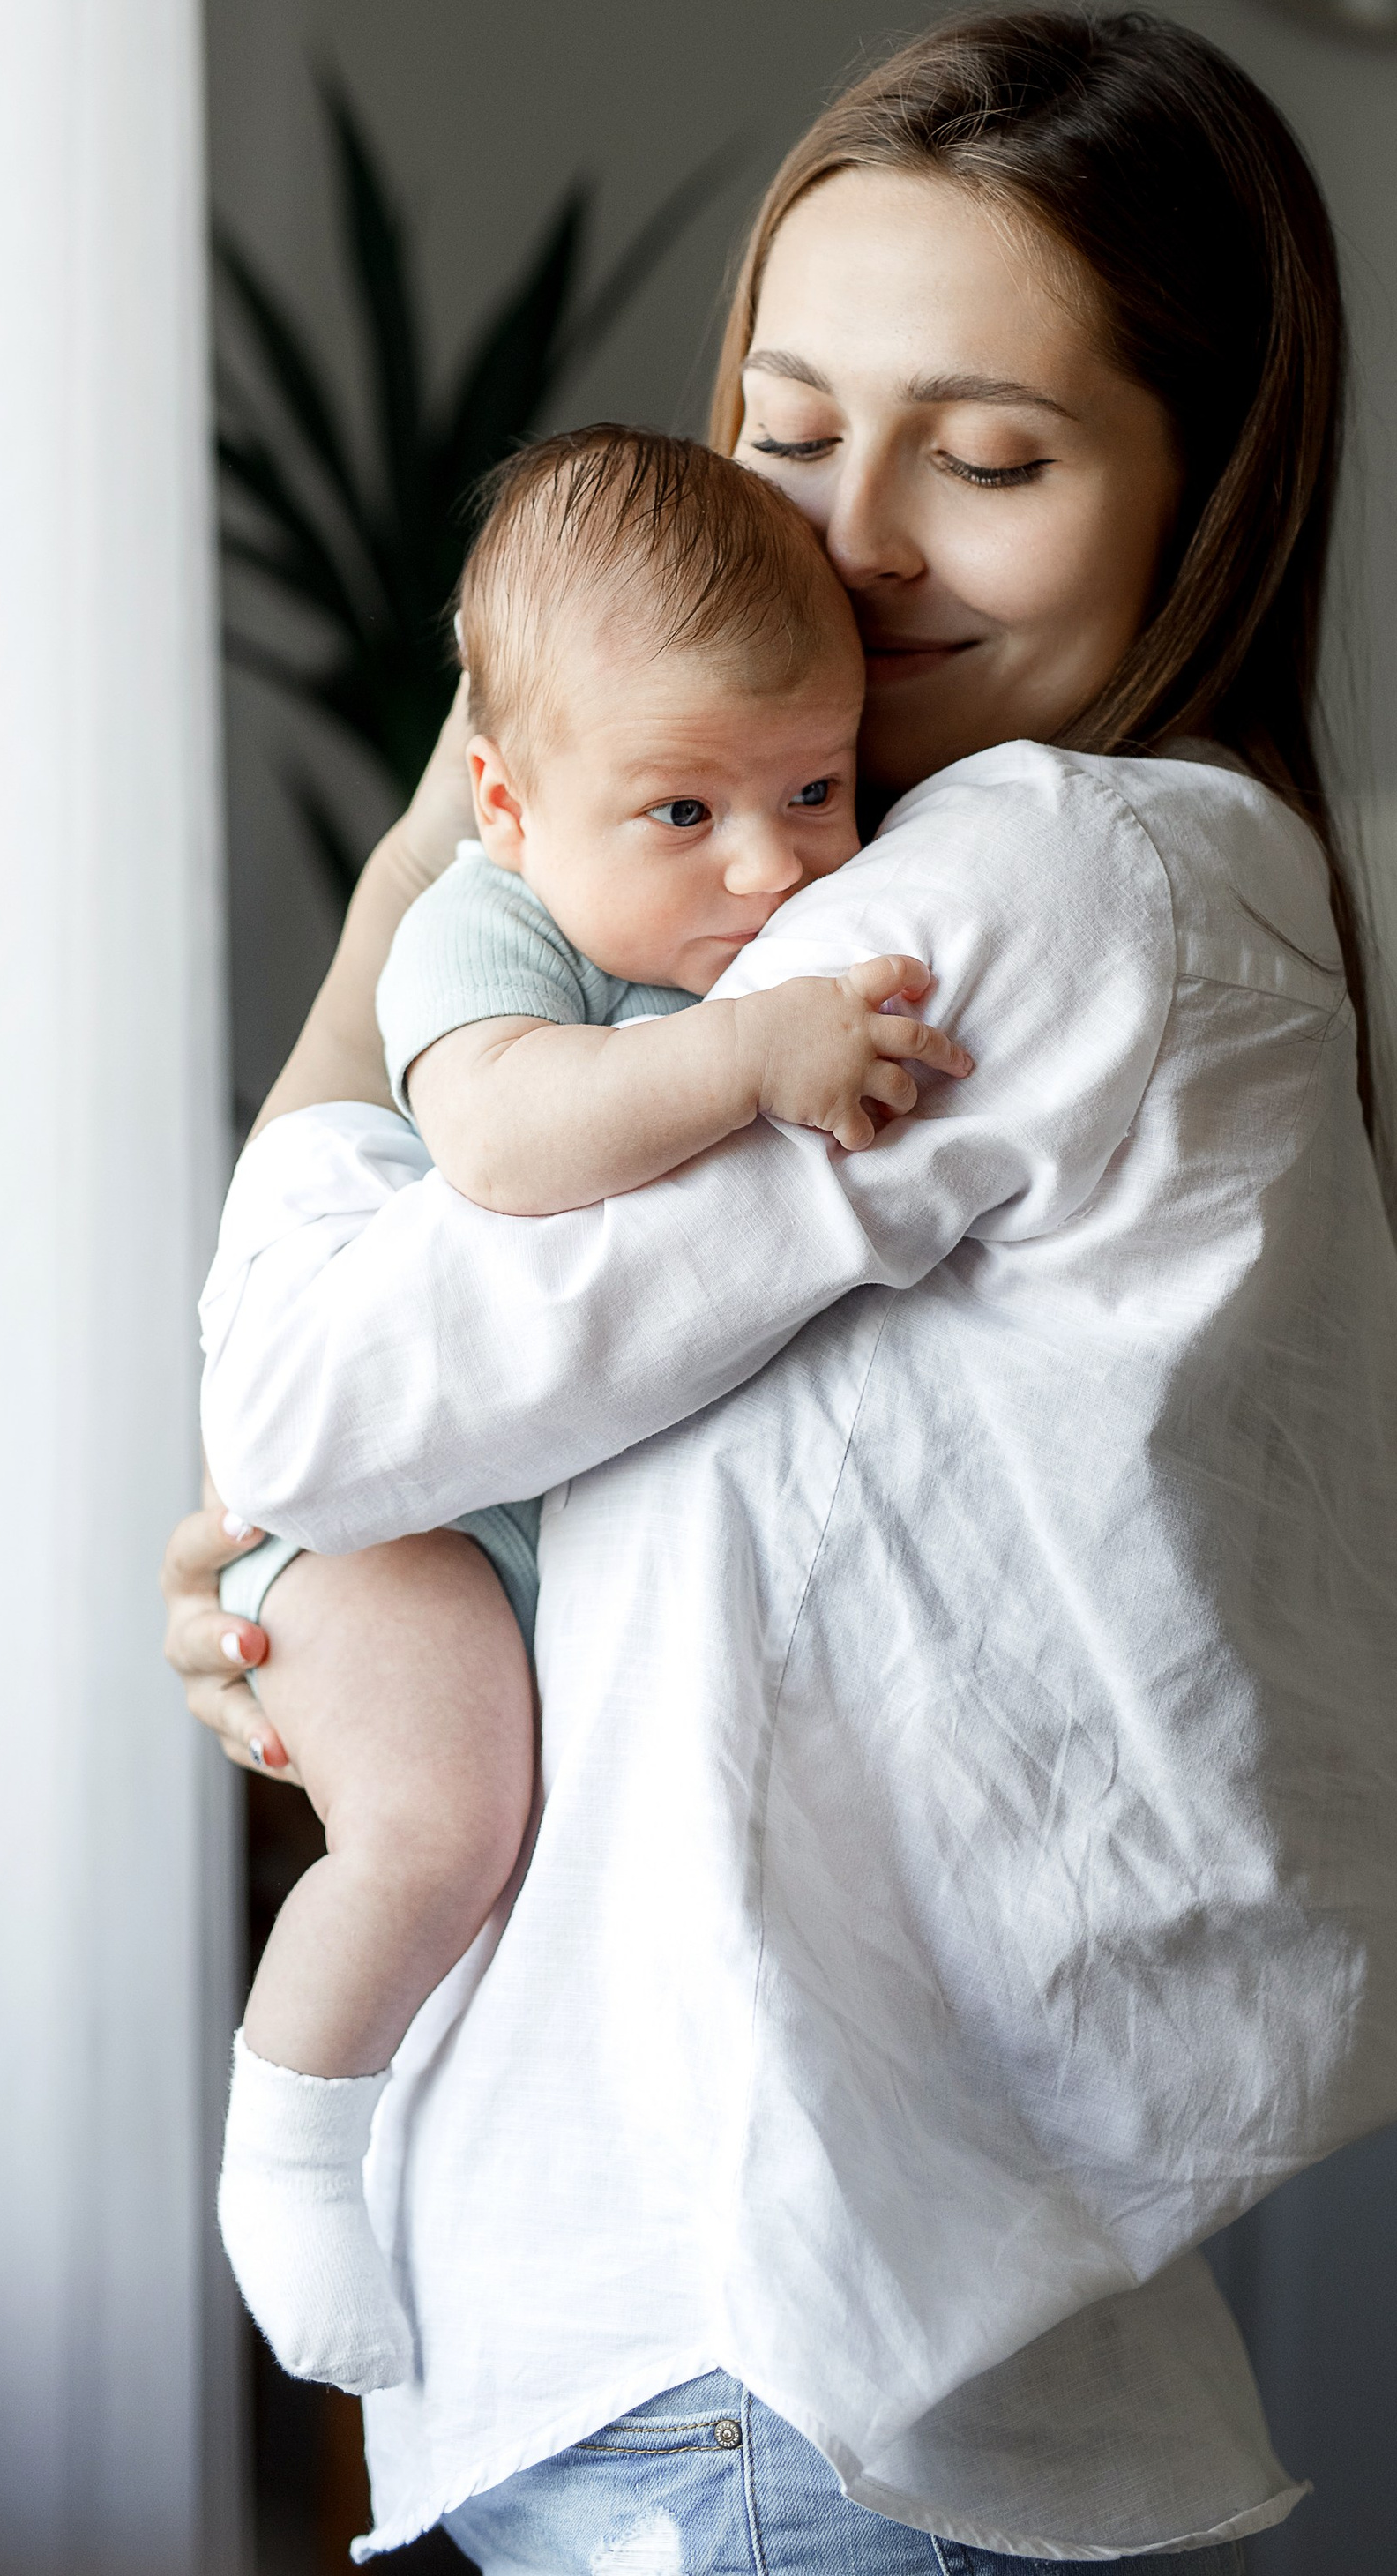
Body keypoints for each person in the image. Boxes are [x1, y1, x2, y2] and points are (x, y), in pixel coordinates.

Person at [166, 5, 1397, 2574]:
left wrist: (433, 876)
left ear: (1206, 502)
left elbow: (319, 1389)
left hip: (759, 2379)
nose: (854, 537)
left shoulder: (1027, 894)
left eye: (987, 457)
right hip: (826, 2369)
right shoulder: (1017, 892)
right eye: (785, 427)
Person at [214, 426, 967, 2395]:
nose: (770, 860)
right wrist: (744, 1057)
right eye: (683, 811)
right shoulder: (489, 923)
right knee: (434, 1825)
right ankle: (290, 2145)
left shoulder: (755, 901)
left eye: (815, 785)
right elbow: (507, 1141)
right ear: (505, 798)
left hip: (523, 1497)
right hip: (403, 1526)